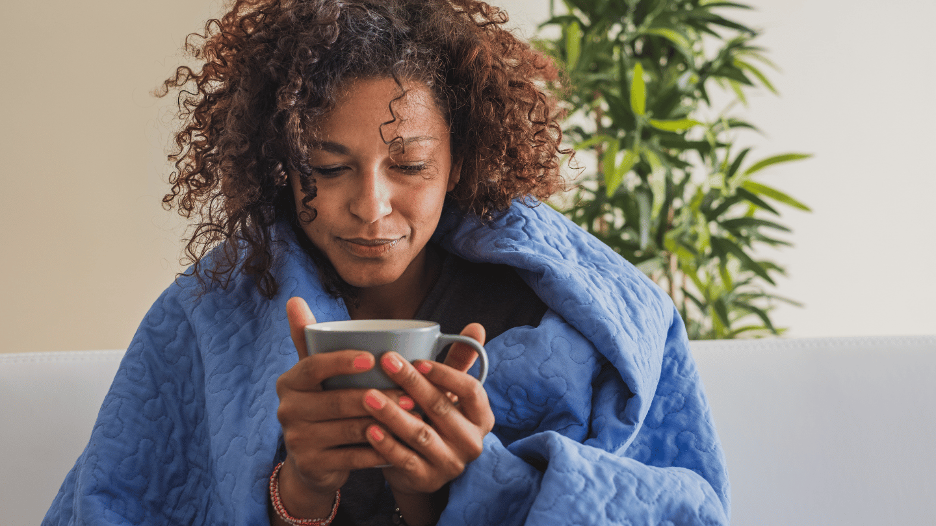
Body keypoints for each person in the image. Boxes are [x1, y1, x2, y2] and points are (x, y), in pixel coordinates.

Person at [44, 0, 730, 524]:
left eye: (409, 164)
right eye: (328, 167)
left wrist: (460, 488)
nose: (370, 206)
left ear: (458, 159)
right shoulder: (207, 316)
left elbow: (671, 501)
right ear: (283, 166)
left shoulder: (567, 314)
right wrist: (300, 490)